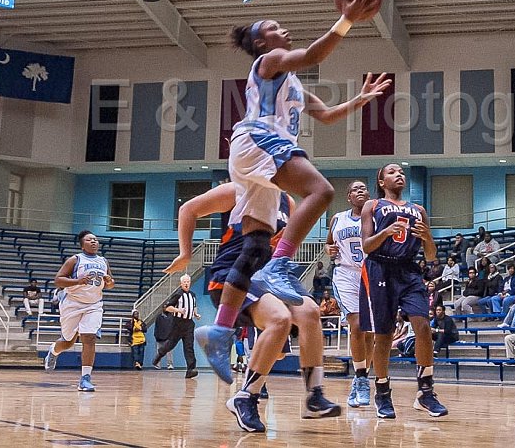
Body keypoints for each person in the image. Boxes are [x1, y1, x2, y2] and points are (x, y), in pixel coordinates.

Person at [195, 8, 391, 381]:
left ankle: (219, 331)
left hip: (255, 154)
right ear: (259, 43)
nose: (283, 29)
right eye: (273, 27)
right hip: (259, 139)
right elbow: (315, 54)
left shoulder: (293, 86)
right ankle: (281, 264)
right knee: (322, 190)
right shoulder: (270, 61)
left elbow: (329, 115)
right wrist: (347, 18)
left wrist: (361, 100)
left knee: (254, 246)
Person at [165, 181, 340, 429]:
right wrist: (185, 254)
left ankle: (314, 395)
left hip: (269, 274)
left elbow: (284, 244)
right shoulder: (237, 189)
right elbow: (188, 210)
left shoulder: (286, 201)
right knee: (278, 318)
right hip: (232, 274)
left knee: (310, 311)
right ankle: (247, 396)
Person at [360, 163, 448, 419]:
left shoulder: (418, 210)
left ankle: (425, 391)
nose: (399, 174)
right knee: (384, 334)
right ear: (381, 181)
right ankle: (382, 391)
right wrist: (385, 232)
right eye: (391, 172)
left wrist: (428, 238)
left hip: (409, 270)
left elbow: (430, 256)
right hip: (380, 268)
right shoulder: (372, 206)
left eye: (401, 172)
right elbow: (366, 246)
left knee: (422, 326)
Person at [44, 230, 115, 392]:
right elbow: (58, 280)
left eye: (95, 239)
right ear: (82, 245)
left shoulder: (103, 261)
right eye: (89, 240)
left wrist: (110, 282)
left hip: (94, 304)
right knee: (68, 342)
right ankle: (53, 351)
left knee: (89, 338)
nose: (94, 242)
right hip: (72, 303)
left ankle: (85, 378)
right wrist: (78, 281)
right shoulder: (75, 260)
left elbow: (110, 284)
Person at [325, 180, 374, 408]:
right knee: (356, 325)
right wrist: (329, 249)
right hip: (346, 274)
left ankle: (360, 376)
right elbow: (328, 244)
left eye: (364, 188)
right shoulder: (338, 218)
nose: (360, 191)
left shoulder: (376, 215)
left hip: (372, 275)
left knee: (370, 331)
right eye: (355, 189)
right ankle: (363, 379)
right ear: (348, 197)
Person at [152, 274, 200, 378]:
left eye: (188, 282)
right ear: (181, 284)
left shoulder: (193, 295)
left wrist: (196, 314)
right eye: (185, 282)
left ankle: (191, 369)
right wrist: (178, 310)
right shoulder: (178, 294)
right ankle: (159, 355)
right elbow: (168, 308)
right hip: (178, 323)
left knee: (189, 347)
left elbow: (194, 307)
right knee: (171, 344)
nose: (186, 284)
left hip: (189, 324)